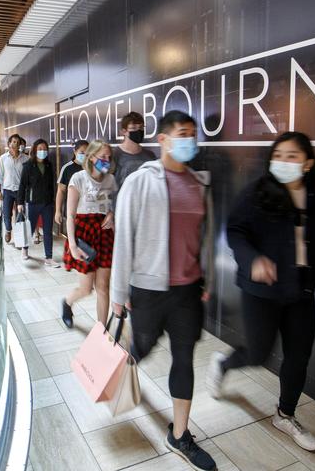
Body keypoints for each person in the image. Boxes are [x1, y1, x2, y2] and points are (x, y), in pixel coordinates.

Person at [206, 131, 315, 453]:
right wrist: (253, 259)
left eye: (292, 156)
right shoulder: (258, 191)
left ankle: (286, 415)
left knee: (298, 358)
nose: (283, 161)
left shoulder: (314, 199)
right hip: (262, 291)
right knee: (257, 353)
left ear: (308, 163)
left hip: (302, 291)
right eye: (278, 155)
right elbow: (235, 230)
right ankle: (223, 365)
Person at [110, 110, 216, 471]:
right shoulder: (140, 182)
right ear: (164, 139)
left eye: (193, 134)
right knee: (143, 346)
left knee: (183, 357)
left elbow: (207, 238)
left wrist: (208, 280)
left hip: (187, 290)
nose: (190, 140)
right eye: (182, 133)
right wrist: (117, 295)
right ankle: (118, 367)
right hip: (148, 288)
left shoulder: (199, 183)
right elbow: (123, 241)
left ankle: (180, 435)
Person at [61, 140, 116, 327]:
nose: (106, 161)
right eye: (102, 157)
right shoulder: (78, 178)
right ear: (92, 157)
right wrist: (73, 245)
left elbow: (112, 205)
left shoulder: (111, 180)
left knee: (103, 287)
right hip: (85, 233)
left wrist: (111, 214)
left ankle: (102, 330)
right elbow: (70, 215)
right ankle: (67, 302)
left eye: (109, 157)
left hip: (105, 234)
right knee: (86, 289)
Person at [17, 139, 60, 267]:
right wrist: (20, 202)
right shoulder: (28, 166)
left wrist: (53, 202)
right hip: (33, 203)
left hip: (47, 203)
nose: (43, 151)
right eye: (40, 149)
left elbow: (52, 185)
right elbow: (22, 185)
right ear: (35, 150)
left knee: (47, 231)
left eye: (45, 149)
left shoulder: (49, 165)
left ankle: (49, 257)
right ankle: (25, 249)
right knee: (29, 229)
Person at [0, 134, 29, 243]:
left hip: (20, 190)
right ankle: (8, 230)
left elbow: (28, 176)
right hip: (8, 190)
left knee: (21, 213)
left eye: (17, 142)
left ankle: (20, 235)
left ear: (20, 145)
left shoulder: (25, 158)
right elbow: (0, 175)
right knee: (6, 213)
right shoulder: (3, 158)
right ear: (9, 143)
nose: (15, 144)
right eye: (13, 141)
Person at [113, 112, 156, 190]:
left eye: (141, 128)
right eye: (133, 128)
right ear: (123, 131)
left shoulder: (150, 155)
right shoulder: (114, 155)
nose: (138, 131)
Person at [55, 140, 88, 227]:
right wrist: (58, 211)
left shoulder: (91, 167)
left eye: (87, 153)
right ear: (75, 151)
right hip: (73, 211)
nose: (84, 155)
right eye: (82, 152)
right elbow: (61, 190)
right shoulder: (67, 168)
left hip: (88, 210)